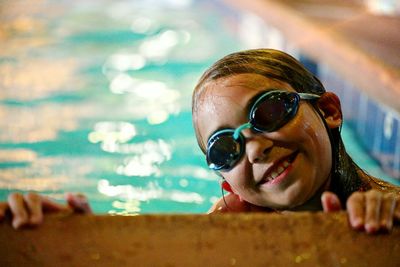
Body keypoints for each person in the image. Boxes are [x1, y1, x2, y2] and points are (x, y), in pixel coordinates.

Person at [1, 48, 399, 234]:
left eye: (270, 113)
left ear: (329, 110)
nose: (256, 148)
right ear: (228, 182)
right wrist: (81, 239)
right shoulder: (221, 231)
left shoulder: (391, 209)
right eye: (226, 148)